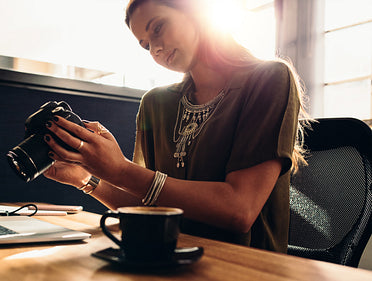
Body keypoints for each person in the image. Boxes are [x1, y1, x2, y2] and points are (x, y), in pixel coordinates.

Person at [42, 0, 309, 253]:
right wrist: (86, 178)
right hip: (169, 257)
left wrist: (121, 170)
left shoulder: (269, 79)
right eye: (146, 45)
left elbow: (239, 210)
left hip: (244, 267)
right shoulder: (156, 103)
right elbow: (147, 205)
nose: (155, 48)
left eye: (158, 27)